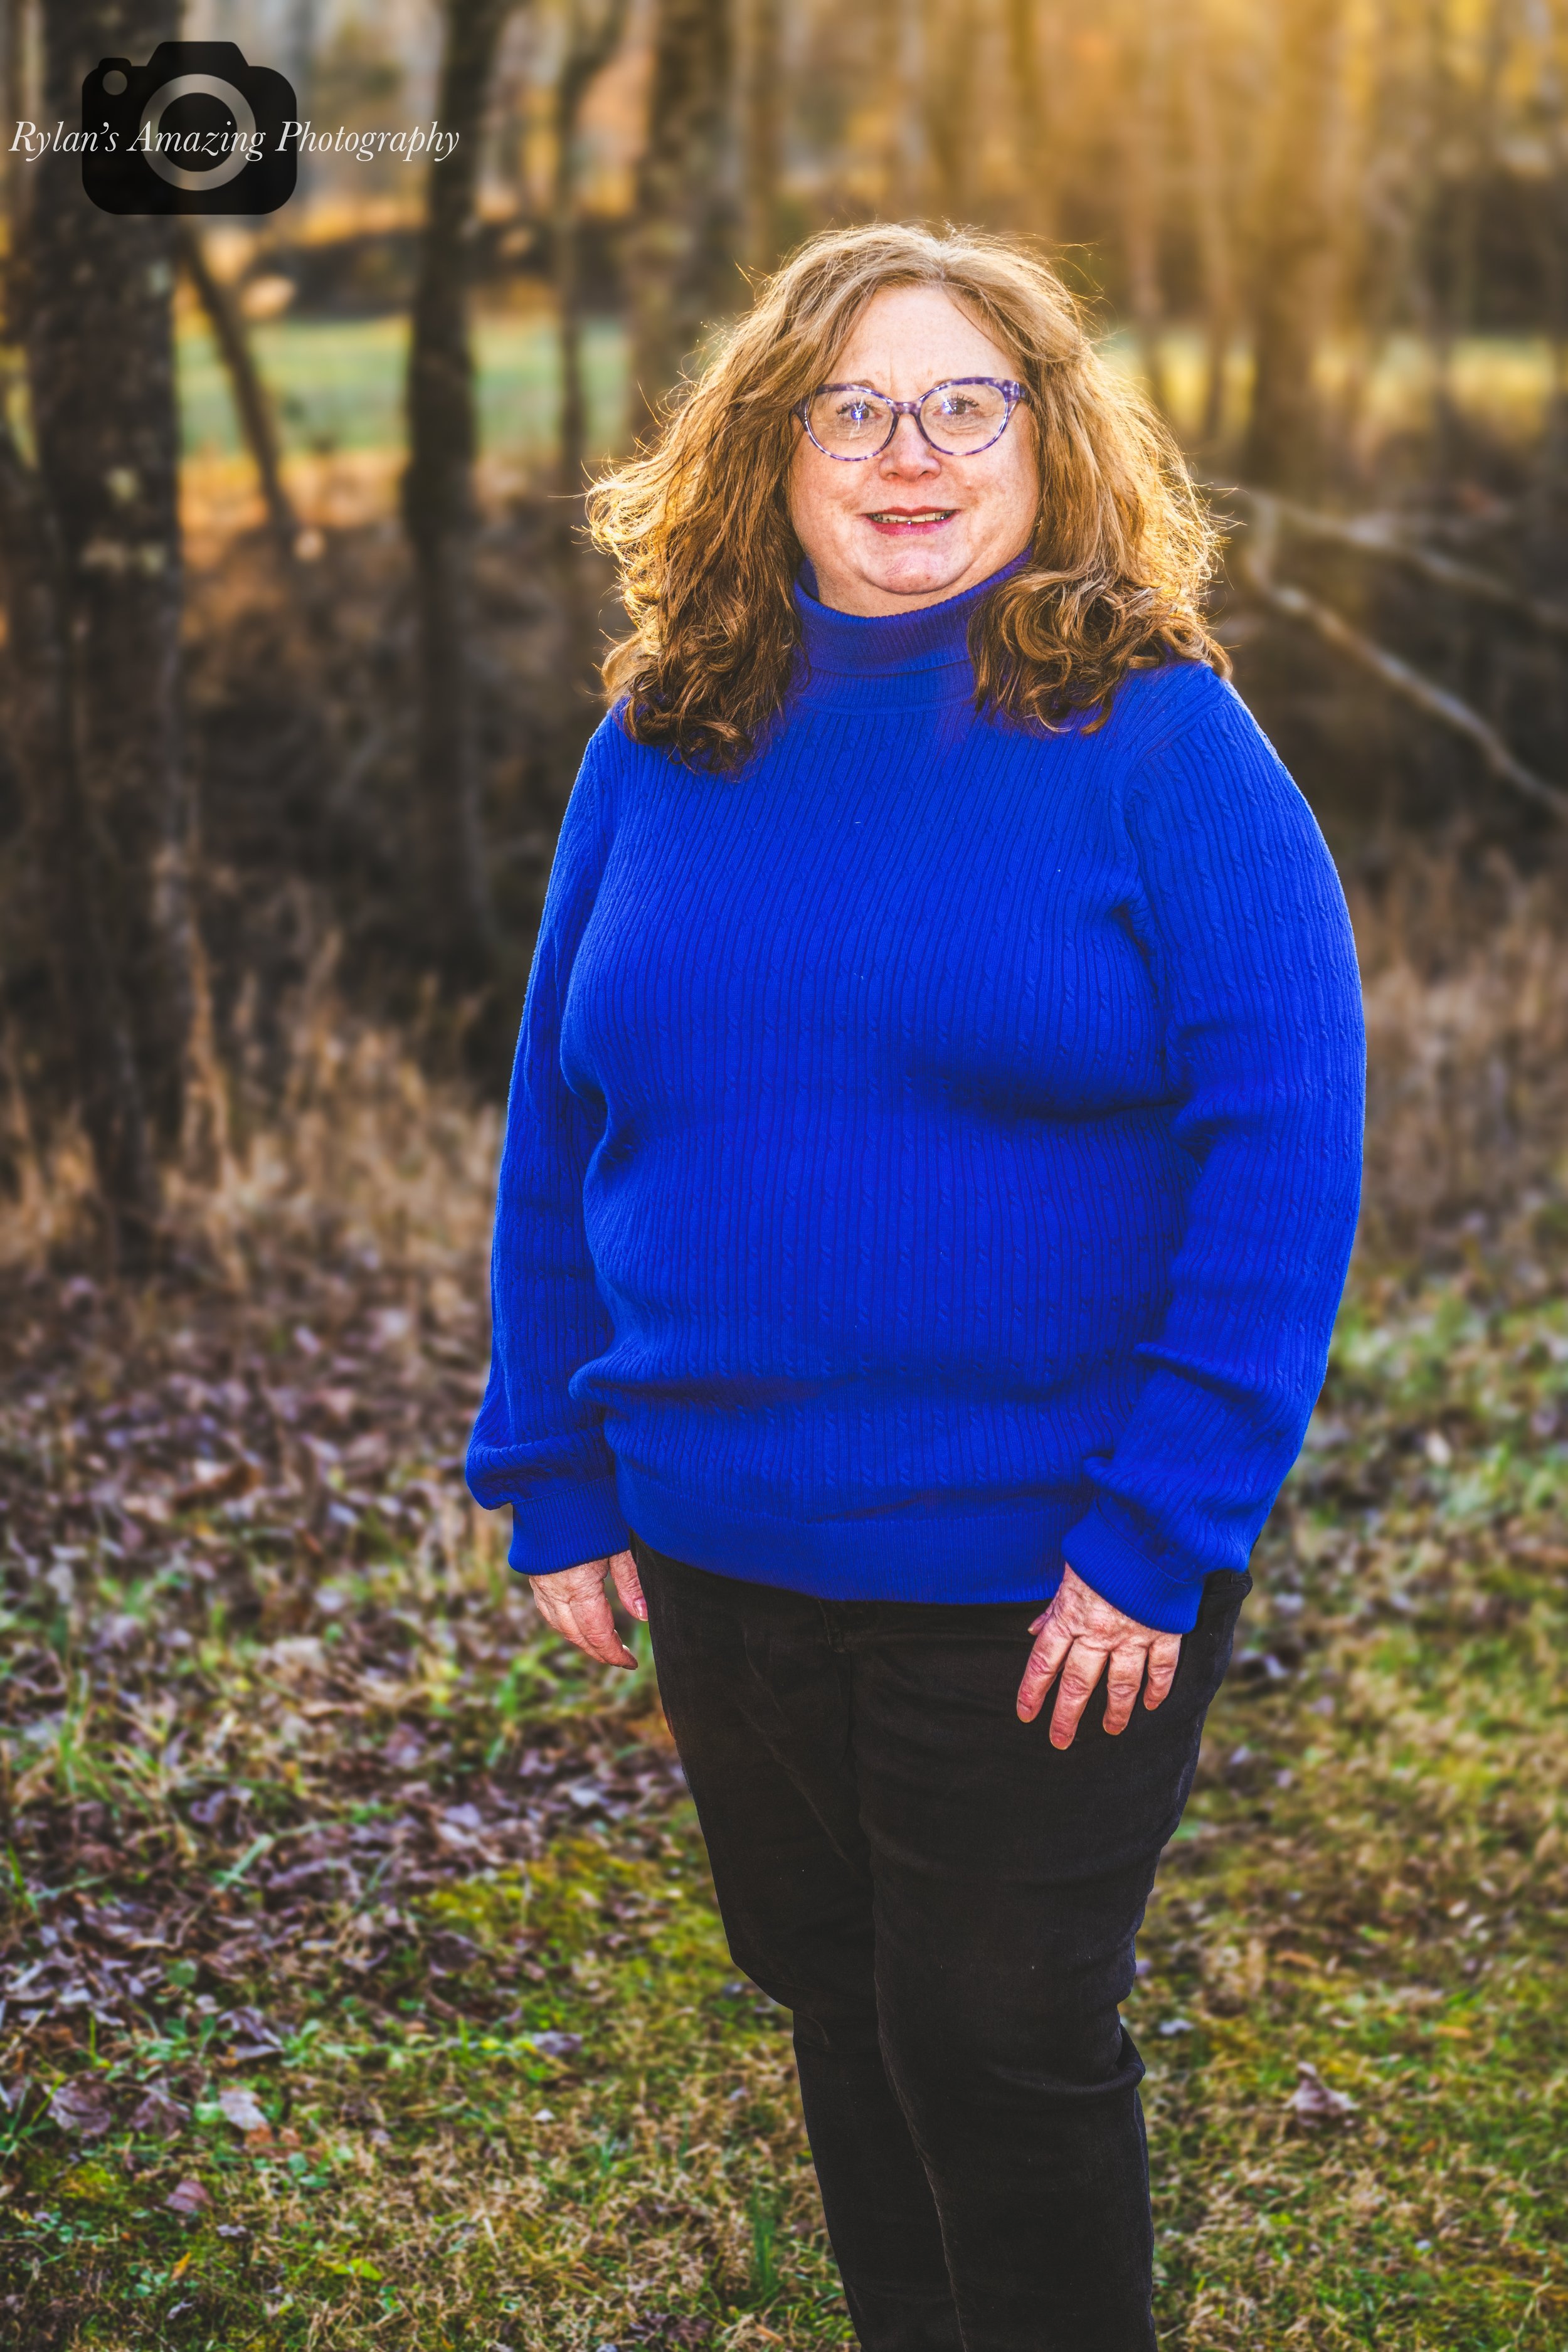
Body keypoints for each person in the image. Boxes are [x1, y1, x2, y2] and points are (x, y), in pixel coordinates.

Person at [467, 224, 1364, 2352]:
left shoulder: (1161, 745)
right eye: (851, 408)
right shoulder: (664, 738)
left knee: (996, 2031)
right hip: (720, 1538)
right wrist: (551, 1456)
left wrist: (1155, 1534)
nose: (908, 454)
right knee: (836, 1993)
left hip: (1042, 1566)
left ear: (1048, 442)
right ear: (764, 452)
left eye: (967, 404)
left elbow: (1283, 1159)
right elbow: (558, 1118)